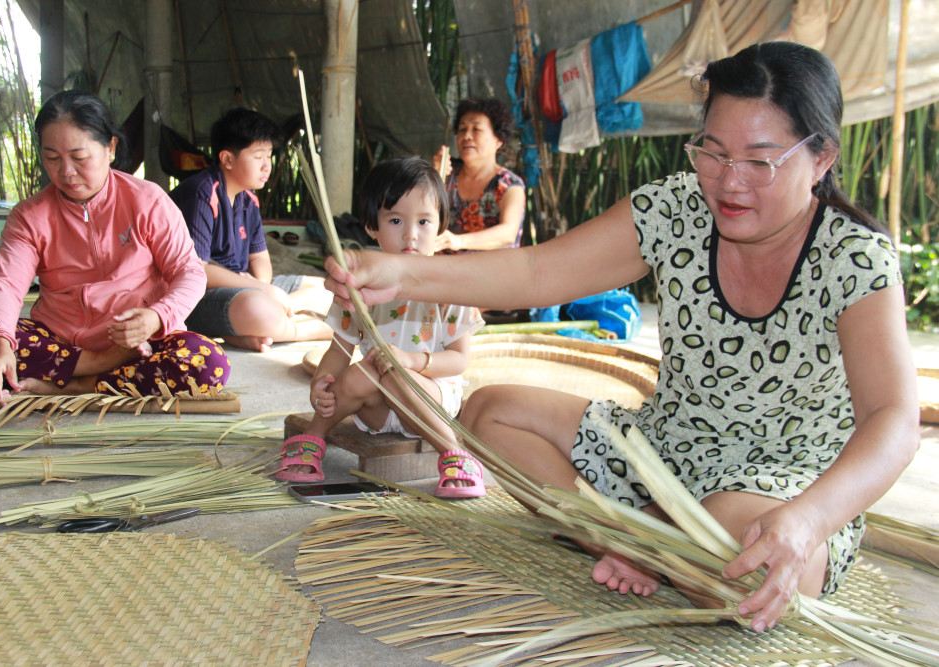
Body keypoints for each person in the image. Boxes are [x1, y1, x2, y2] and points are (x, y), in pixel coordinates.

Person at [323, 42, 920, 633]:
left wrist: (810, 520)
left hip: (784, 490)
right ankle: (629, 540)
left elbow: (894, 419)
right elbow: (538, 271)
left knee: (733, 550)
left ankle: (641, 538)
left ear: (820, 159)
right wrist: (400, 272)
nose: (728, 181)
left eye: (760, 161)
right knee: (489, 412)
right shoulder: (675, 209)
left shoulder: (855, 258)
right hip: (662, 451)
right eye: (712, 152)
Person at [0, 90, 230, 400]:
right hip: (59, 342)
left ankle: (79, 384)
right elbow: (5, 285)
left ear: (110, 148)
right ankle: (101, 366)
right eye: (52, 158)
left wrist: (157, 317)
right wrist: (0, 345)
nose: (66, 171)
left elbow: (189, 272)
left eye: (79, 158)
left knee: (207, 363)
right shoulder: (30, 216)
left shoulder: (147, 200)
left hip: (141, 340)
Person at [278, 157, 485, 497]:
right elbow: (339, 350)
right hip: (378, 412)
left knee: (391, 368)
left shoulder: (451, 286)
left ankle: (453, 451)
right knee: (367, 370)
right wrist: (321, 383)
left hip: (429, 405)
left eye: (423, 221)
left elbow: (459, 361)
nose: (411, 235)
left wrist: (411, 361)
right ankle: (315, 435)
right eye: (395, 220)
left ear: (441, 225)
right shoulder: (360, 287)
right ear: (372, 226)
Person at [169, 107, 333, 352]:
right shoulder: (201, 193)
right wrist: (262, 291)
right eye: (258, 157)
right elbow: (197, 271)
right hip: (200, 296)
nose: (267, 165)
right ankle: (298, 329)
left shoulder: (249, 200)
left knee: (327, 290)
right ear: (227, 159)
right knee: (257, 309)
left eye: (269, 155)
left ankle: (253, 329)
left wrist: (263, 286)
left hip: (246, 289)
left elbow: (259, 257)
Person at [432, 98, 527, 254]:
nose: (467, 136)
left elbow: (508, 233)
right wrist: (433, 176)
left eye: (477, 130)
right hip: (443, 273)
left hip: (490, 276)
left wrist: (458, 241)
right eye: (462, 130)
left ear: (499, 140)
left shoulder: (510, 185)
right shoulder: (446, 173)